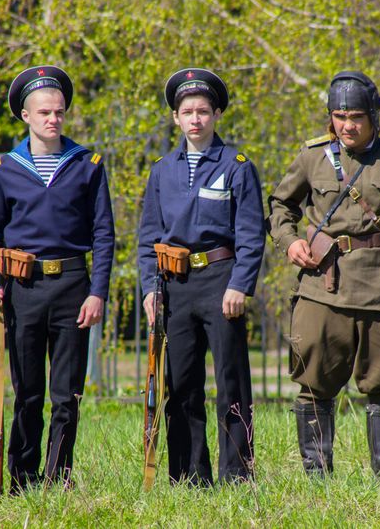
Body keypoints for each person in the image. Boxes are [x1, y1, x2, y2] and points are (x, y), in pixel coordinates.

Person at [267, 71, 380, 479]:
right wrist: (289, 241)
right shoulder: (312, 156)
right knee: (313, 384)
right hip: (322, 289)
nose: (348, 125)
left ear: (373, 117)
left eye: (356, 116)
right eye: (340, 116)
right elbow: (280, 205)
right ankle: (317, 478)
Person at [0, 65, 115, 493]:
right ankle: (21, 477)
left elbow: (104, 233)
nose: (52, 119)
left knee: (66, 394)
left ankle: (59, 475)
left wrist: (97, 293)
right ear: (25, 116)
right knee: (27, 392)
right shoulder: (6, 168)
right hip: (24, 290)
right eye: (43, 113)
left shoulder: (87, 165)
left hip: (73, 285)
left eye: (58, 112)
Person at [137, 68, 265, 485]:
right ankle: (189, 475)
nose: (196, 119)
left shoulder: (237, 166)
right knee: (182, 384)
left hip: (221, 280)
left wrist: (240, 285)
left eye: (204, 111)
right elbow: (147, 240)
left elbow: (250, 234)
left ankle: (237, 474)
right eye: (187, 112)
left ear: (216, 115)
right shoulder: (161, 170)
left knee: (231, 382)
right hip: (174, 286)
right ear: (176, 118)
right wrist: (150, 291)